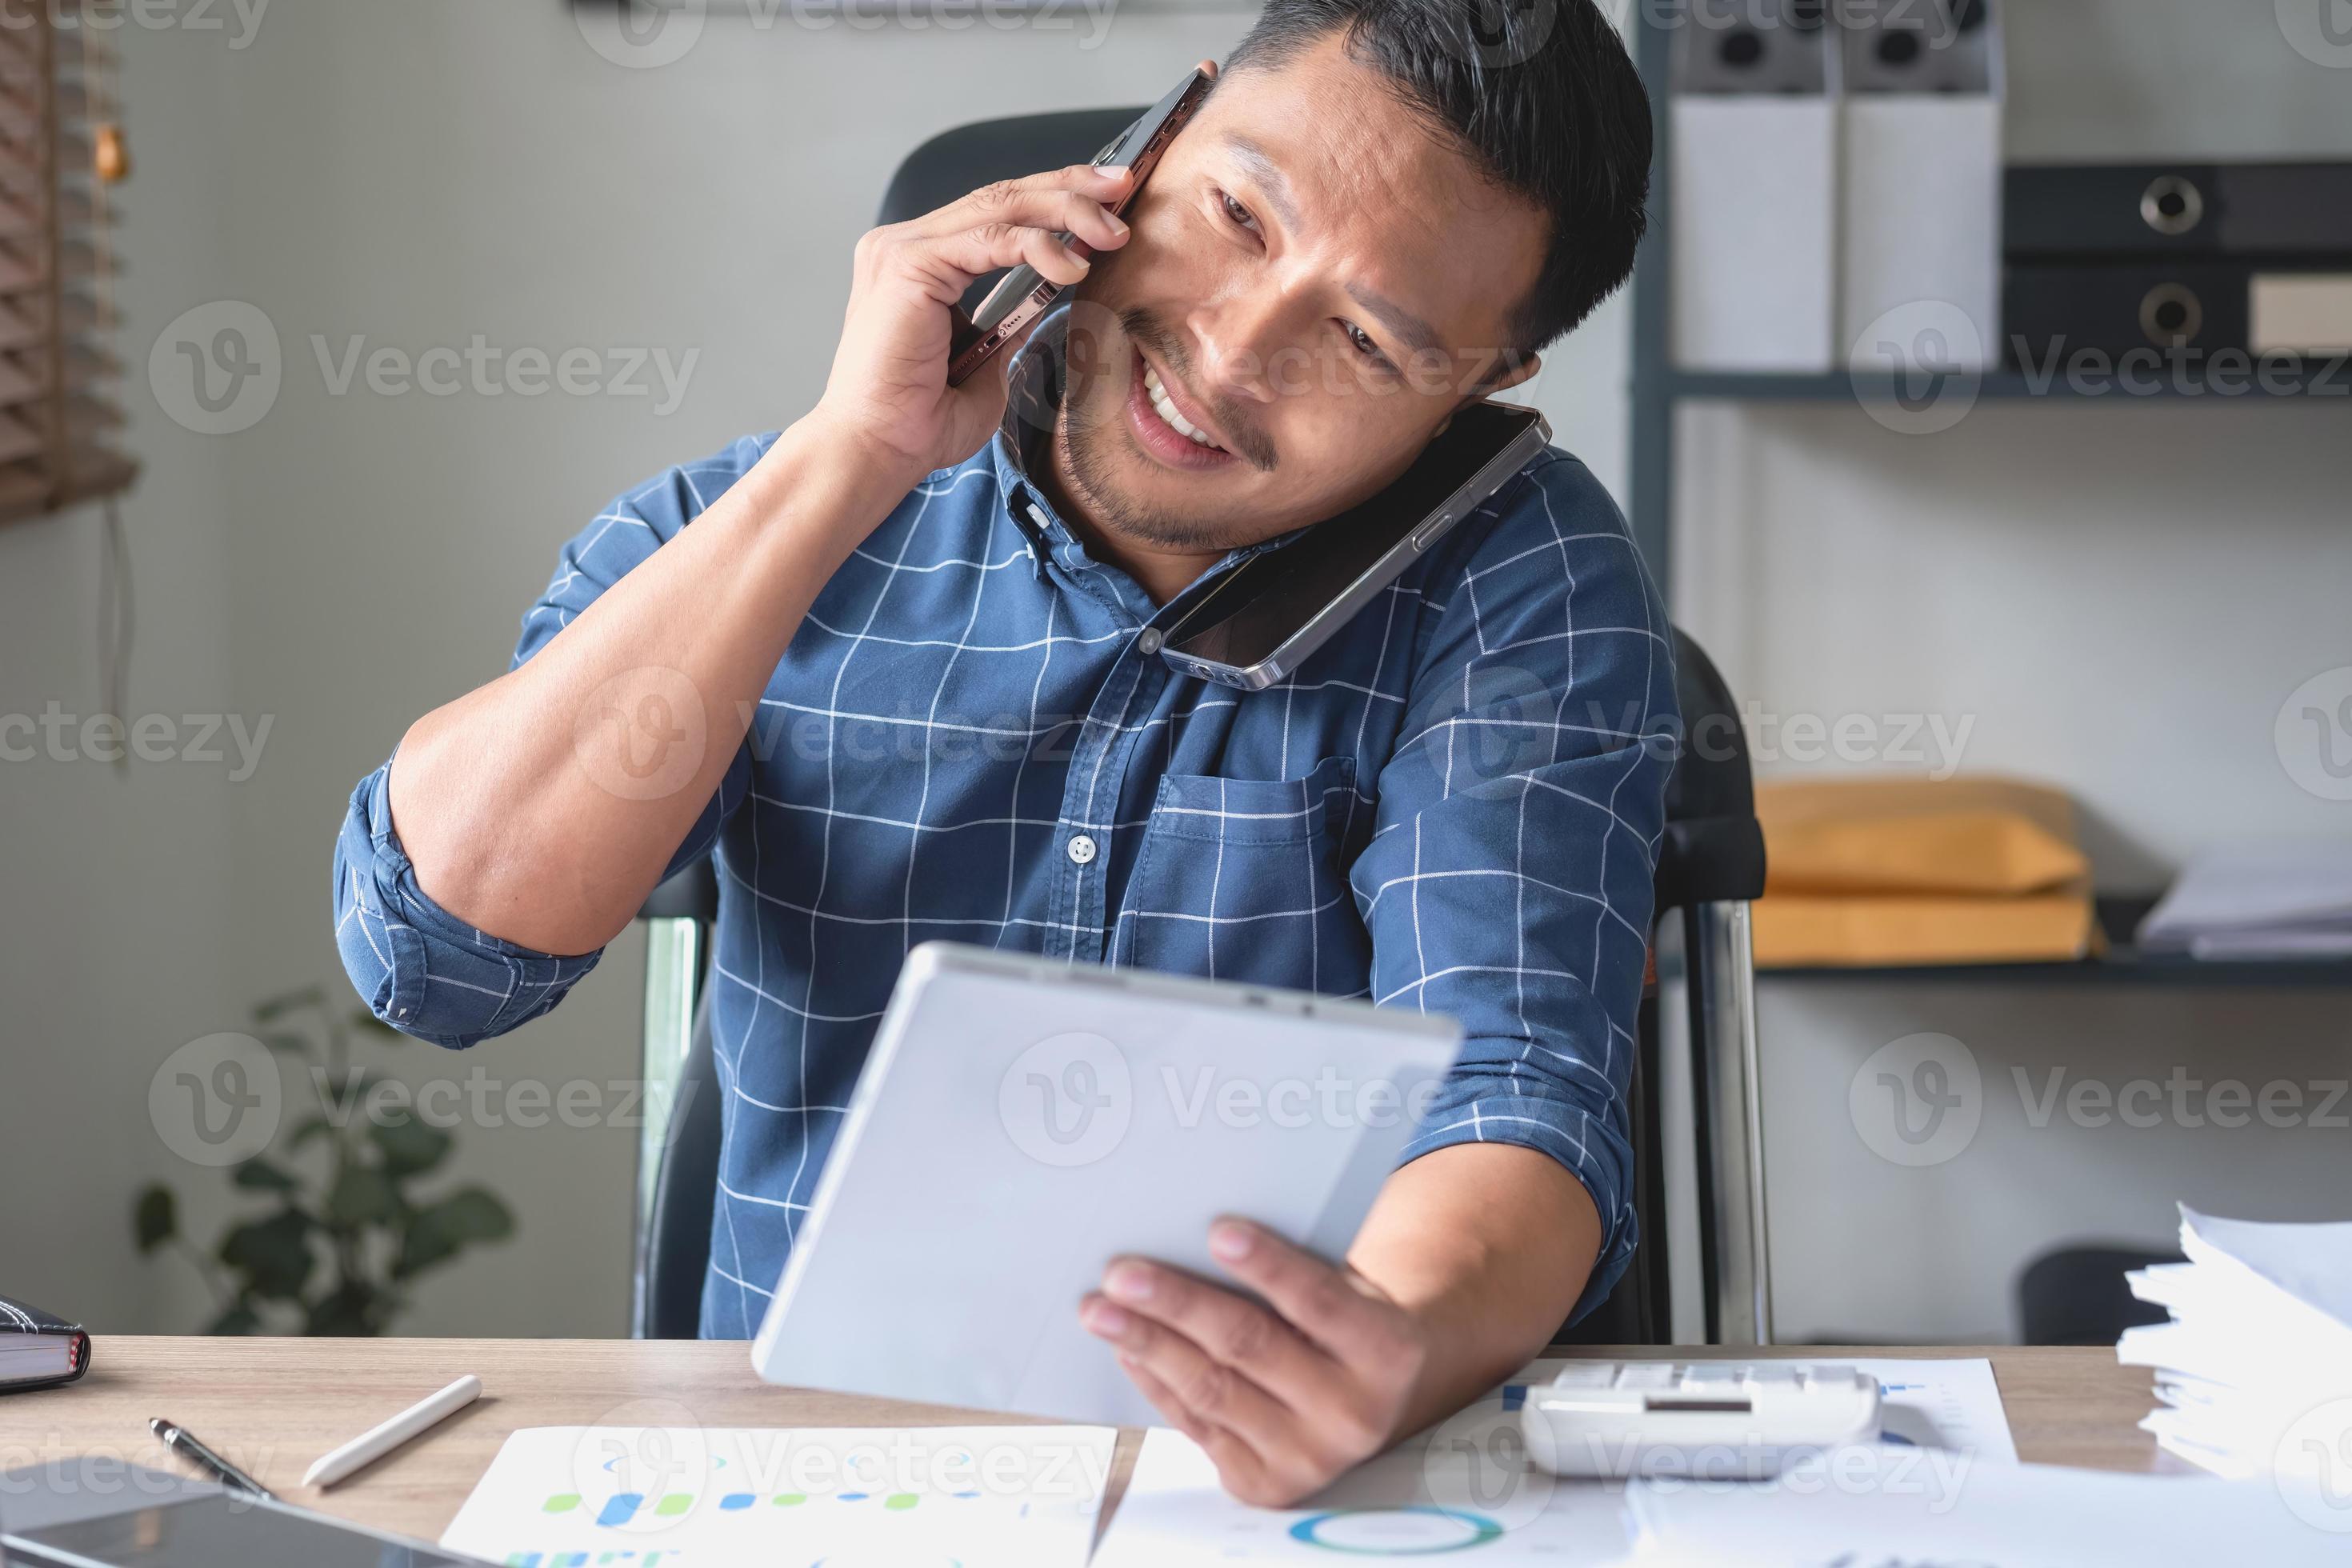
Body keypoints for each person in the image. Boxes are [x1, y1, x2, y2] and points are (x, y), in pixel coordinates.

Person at [334, 0, 1670, 1506]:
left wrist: (1392, 1343)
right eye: (1235, 214)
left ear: (1477, 388)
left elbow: (1511, 1082)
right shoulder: (775, 517)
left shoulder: (1525, 583)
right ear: (1151, 141)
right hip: (805, 1482)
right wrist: (850, 459)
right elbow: (435, 955)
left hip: (1252, 1500)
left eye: (1365, 340)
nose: (1234, 354)